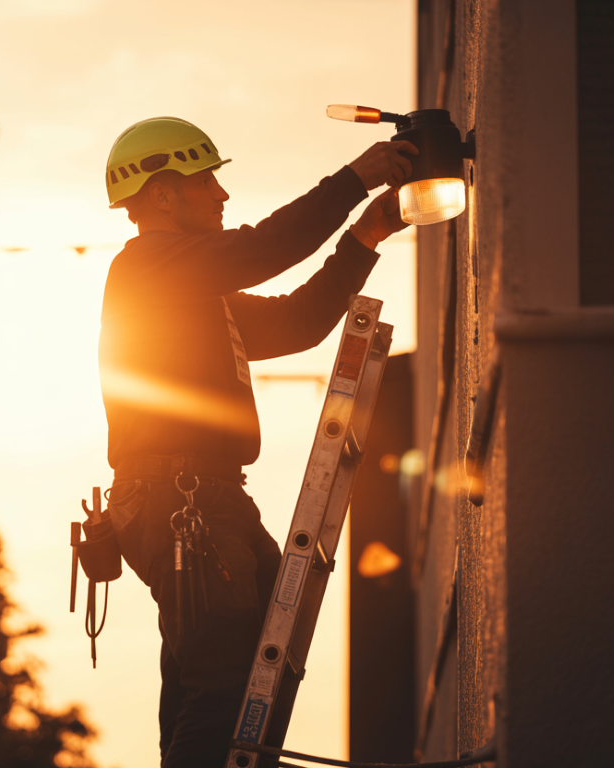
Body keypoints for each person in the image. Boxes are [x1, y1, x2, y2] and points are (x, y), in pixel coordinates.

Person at [97, 116, 415, 767]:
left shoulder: (195, 296)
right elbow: (263, 247)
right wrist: (356, 178)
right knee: (223, 683)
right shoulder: (148, 269)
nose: (221, 194)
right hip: (181, 497)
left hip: (204, 498)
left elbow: (299, 322)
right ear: (161, 194)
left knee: (224, 676)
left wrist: (366, 235)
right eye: (206, 180)